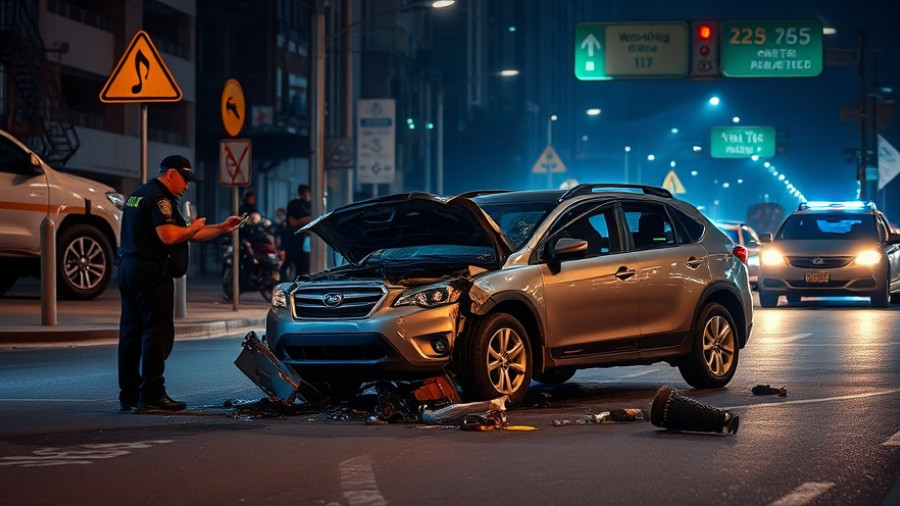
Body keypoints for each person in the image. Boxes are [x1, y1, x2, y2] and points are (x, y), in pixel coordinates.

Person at [117, 155, 243, 413]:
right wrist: (193, 226)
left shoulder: (138, 195)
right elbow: (170, 235)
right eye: (185, 180)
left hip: (130, 269)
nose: (187, 186)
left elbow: (184, 234)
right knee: (157, 334)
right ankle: (152, 394)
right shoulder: (161, 200)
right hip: (152, 273)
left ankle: (129, 394)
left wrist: (221, 227)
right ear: (172, 174)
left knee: (131, 334)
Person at [285, 183, 312, 278]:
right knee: (296, 263)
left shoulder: (312, 205)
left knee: (306, 264)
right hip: (295, 239)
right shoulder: (294, 204)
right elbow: (292, 222)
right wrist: (304, 219)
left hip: (308, 238)